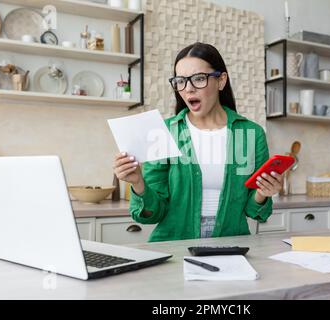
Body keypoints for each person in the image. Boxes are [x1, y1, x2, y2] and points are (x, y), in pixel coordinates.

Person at [113, 42, 282, 242]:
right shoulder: (162, 132)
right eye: (181, 81)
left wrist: (263, 193)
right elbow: (152, 214)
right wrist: (138, 183)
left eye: (199, 78)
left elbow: (255, 212)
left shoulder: (250, 133)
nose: (188, 89)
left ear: (221, 80)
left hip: (232, 242)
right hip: (174, 245)